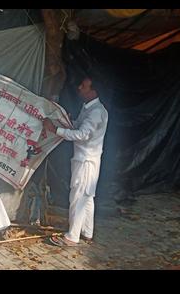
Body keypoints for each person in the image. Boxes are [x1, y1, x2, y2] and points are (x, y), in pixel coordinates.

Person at [43, 77, 108, 246]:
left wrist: (55, 130)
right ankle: (87, 232)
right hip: (87, 160)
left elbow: (82, 134)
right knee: (87, 197)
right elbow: (78, 126)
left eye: (84, 86)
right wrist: (68, 122)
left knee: (78, 196)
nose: (79, 88)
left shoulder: (95, 112)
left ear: (93, 91)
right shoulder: (91, 109)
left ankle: (72, 236)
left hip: (86, 161)